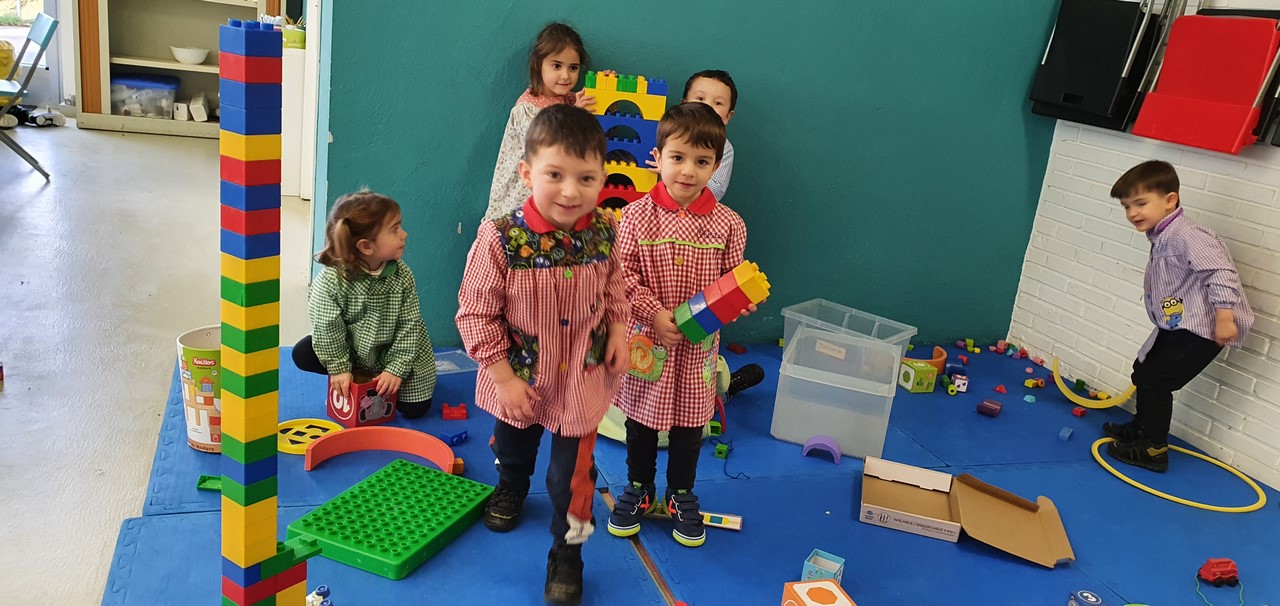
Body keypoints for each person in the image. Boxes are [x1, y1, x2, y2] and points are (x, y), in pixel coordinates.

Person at [457, 104, 629, 603]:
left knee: (571, 479)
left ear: (602, 179)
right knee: (514, 446)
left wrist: (619, 330)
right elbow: (475, 314)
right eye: (555, 175)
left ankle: (568, 551)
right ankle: (511, 483)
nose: (571, 192)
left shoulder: (605, 231)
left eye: (586, 178)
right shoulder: (499, 239)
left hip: (582, 378)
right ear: (527, 173)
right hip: (520, 377)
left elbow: (617, 288)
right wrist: (503, 379)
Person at [609, 102, 755, 548]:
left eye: (702, 161)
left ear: (716, 165)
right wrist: (654, 313)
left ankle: (680, 492)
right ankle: (639, 486)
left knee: (691, 424)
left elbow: (731, 280)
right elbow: (622, 278)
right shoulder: (635, 217)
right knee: (640, 421)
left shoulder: (729, 224)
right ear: (657, 157)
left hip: (697, 348)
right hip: (647, 341)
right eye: (677, 157)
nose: (688, 171)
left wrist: (738, 302)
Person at [1102, 160, 1253, 472]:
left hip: (1203, 328)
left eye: (1141, 203)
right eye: (1127, 206)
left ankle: (1154, 449)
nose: (1132, 213)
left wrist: (1225, 318)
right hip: (1178, 324)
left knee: (1157, 382)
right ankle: (1143, 427)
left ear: (1170, 200)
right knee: (1143, 370)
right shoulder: (1163, 235)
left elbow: (1220, 273)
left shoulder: (1188, 235)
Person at [294, 191, 437, 419]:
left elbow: (410, 324)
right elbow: (327, 327)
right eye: (395, 229)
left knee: (415, 409)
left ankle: (380, 377)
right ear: (366, 246)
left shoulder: (402, 274)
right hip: (353, 348)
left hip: (391, 349)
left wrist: (395, 369)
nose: (404, 234)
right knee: (302, 353)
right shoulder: (331, 281)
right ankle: (354, 375)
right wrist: (340, 369)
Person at [483, 22, 596, 222]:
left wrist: (605, 90)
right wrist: (575, 114)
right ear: (538, 65)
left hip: (550, 200)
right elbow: (548, 145)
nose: (565, 76)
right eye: (556, 66)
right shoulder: (528, 108)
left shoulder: (569, 100)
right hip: (520, 204)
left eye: (573, 68)